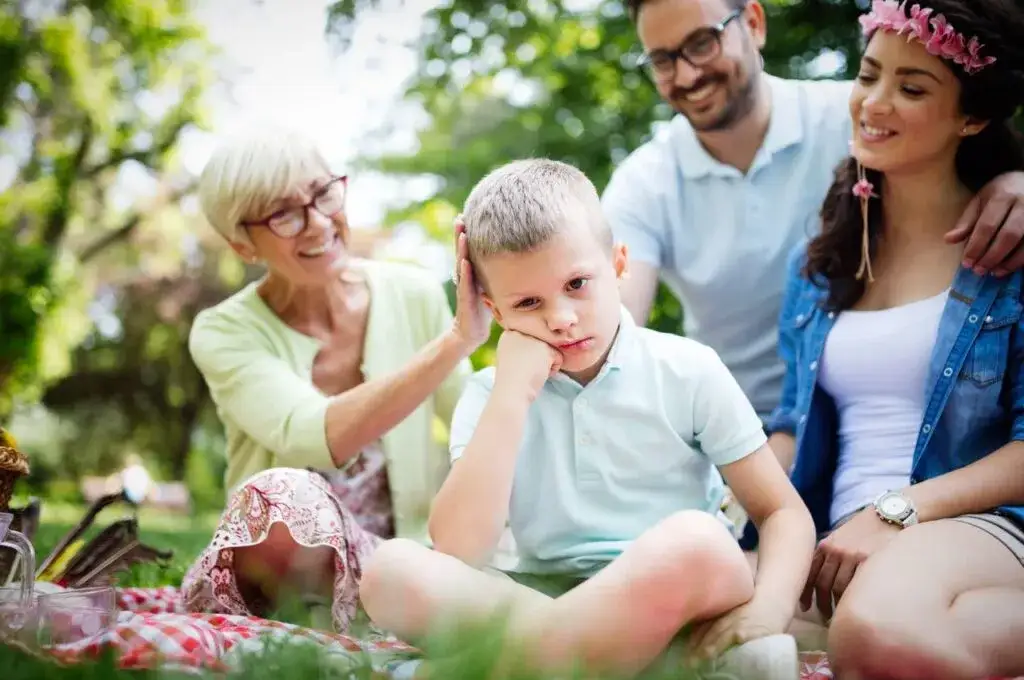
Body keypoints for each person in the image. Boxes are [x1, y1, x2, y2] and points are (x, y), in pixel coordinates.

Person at [358, 159, 815, 680]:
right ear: (494, 310)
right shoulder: (490, 394)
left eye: (577, 283)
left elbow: (782, 513)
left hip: (677, 596)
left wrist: (768, 612)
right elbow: (460, 548)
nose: (560, 318)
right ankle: (622, 659)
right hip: (539, 592)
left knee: (698, 540)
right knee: (390, 570)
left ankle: (504, 665)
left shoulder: (687, 367)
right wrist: (513, 393)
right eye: (528, 302)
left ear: (619, 264)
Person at [606, 0, 1024, 426]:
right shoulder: (643, 183)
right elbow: (610, 321)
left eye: (702, 43)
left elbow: (972, 128)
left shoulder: (865, 120)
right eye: (662, 59)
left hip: (869, 412)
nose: (687, 74)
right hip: (732, 431)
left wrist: (1016, 180)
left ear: (753, 23)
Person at [768, 1, 1024, 677]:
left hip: (976, 527)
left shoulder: (1013, 254)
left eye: (912, 88)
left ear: (971, 117)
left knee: (878, 633)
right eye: (869, 75)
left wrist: (898, 511)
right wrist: (729, 499)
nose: (874, 103)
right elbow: (793, 423)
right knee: (677, 609)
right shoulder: (821, 266)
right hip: (837, 537)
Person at [179, 128, 491, 630]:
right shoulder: (222, 332)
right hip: (282, 571)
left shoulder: (411, 293)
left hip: (403, 560)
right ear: (242, 244)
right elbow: (315, 435)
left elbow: (474, 423)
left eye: (324, 193)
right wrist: (457, 339)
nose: (318, 222)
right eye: (283, 214)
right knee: (280, 495)